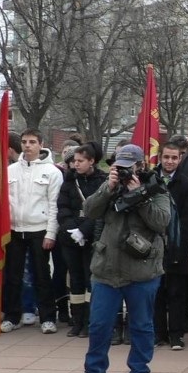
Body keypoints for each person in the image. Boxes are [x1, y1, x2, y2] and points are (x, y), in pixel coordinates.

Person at [68, 144, 171, 373]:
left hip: (142, 270)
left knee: (141, 326)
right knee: (99, 325)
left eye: (129, 167)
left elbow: (161, 222)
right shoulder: (108, 186)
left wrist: (139, 196)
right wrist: (109, 187)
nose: (124, 171)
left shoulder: (155, 188)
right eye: (119, 167)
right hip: (107, 268)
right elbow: (89, 210)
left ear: (140, 166)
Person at [0, 130, 63, 334]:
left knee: (42, 275)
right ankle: (12, 316)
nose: (28, 146)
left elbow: (54, 205)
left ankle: (47, 317)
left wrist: (51, 233)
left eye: (32, 142)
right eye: (24, 142)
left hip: (39, 229)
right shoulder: (10, 170)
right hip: (14, 230)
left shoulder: (52, 172)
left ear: (41, 144)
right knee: (13, 276)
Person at [56, 144, 108, 339]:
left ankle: (89, 321)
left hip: (91, 237)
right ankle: (77, 321)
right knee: (75, 279)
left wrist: (83, 231)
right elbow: (62, 207)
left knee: (89, 279)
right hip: (70, 238)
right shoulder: (69, 181)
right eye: (74, 161)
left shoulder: (102, 181)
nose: (76, 164)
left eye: (80, 161)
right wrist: (71, 228)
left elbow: (100, 209)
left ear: (91, 161)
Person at [154, 141, 188, 350]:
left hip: (176, 245)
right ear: (160, 157)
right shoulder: (151, 180)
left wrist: (179, 242)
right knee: (156, 292)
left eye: (174, 158)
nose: (170, 161)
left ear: (180, 159)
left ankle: (176, 334)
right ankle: (158, 333)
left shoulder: (187, 184)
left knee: (176, 292)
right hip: (154, 244)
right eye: (166, 157)